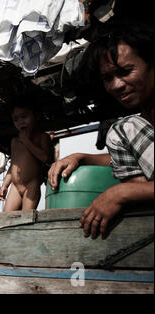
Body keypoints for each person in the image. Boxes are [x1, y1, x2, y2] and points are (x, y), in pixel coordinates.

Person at [48, 22, 154, 239]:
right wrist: (83, 157)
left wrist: (122, 192)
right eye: (108, 78)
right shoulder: (134, 127)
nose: (117, 85)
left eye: (126, 71)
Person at [0, 102, 53, 211]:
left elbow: (46, 158)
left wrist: (26, 141)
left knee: (26, 216)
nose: (20, 122)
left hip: (31, 184)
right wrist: (4, 185)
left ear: (36, 116)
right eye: (16, 119)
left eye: (24, 116)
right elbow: (13, 164)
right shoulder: (14, 141)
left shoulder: (42, 137)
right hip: (15, 186)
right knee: (5, 217)